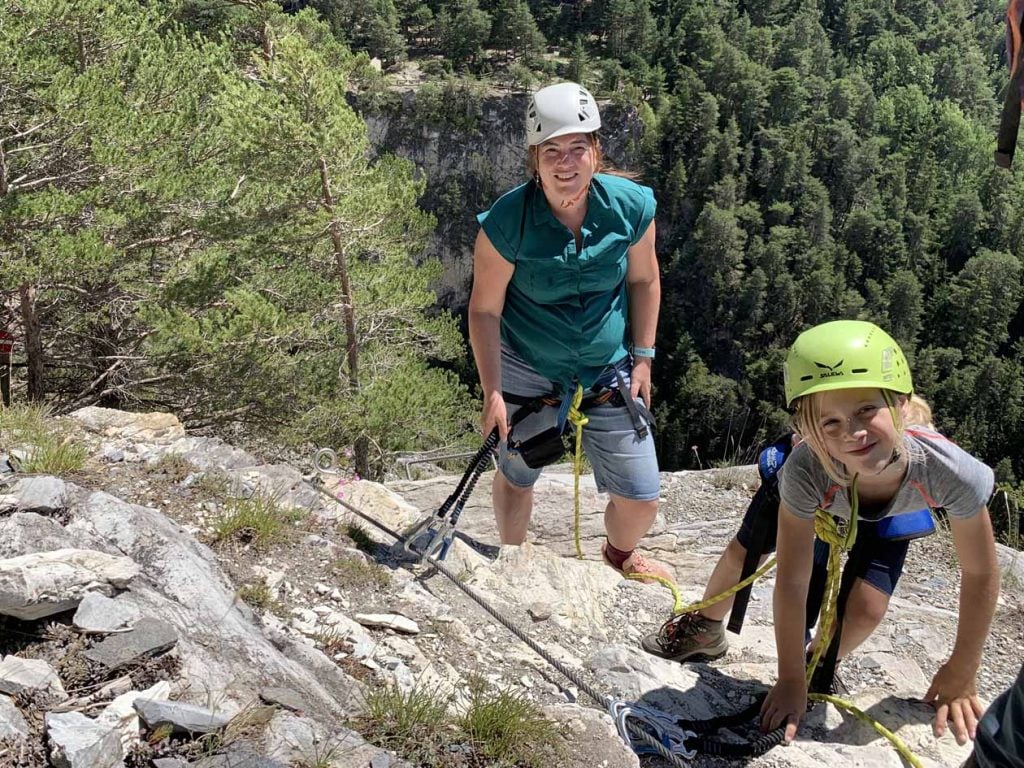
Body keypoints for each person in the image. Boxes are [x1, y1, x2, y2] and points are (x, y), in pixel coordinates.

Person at [753, 320, 1000, 746]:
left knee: (866, 610)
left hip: (892, 507)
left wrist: (964, 667)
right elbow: (792, 581)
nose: (852, 433)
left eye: (866, 410)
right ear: (811, 433)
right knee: (795, 586)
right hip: (831, 499)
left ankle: (822, 661)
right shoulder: (806, 470)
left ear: (901, 403)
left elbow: (980, 572)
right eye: (829, 424)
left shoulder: (949, 471)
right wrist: (789, 678)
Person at [467, 81, 671, 581]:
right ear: (535, 160)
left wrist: (643, 357)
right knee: (517, 473)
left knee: (641, 498)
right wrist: (493, 391)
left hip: (606, 367)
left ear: (596, 153)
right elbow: (484, 311)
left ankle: (619, 553)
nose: (566, 163)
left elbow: (645, 279)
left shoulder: (630, 207)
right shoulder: (507, 222)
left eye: (577, 148)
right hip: (528, 364)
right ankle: (514, 559)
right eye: (552, 151)